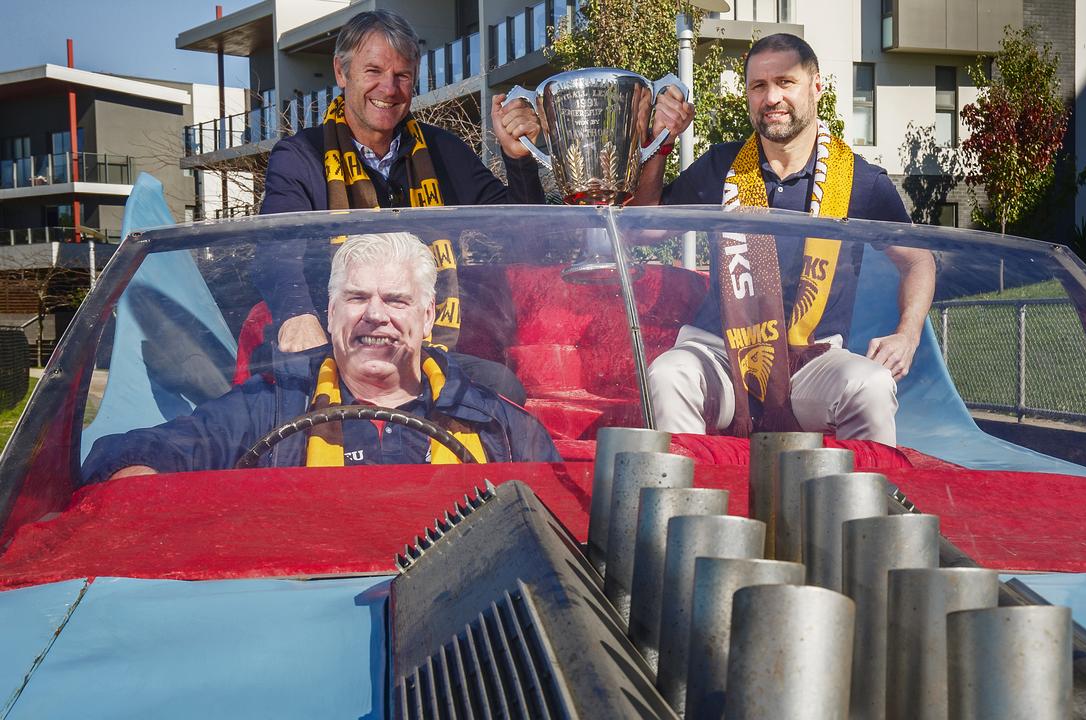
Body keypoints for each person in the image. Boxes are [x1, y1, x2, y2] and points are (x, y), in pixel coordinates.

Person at [634, 34, 936, 446]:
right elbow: (644, 228)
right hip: (723, 353)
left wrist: (908, 334)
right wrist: (660, 142)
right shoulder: (721, 167)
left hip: (810, 359)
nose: (771, 97)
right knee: (670, 374)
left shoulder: (862, 183)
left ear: (816, 87)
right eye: (759, 86)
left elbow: (918, 261)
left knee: (871, 385)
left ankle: (861, 508)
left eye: (785, 82)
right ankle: (686, 505)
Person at [82, 232, 561, 484]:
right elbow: (137, 453)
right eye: (356, 299)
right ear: (330, 314)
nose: (375, 315)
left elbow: (560, 517)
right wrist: (138, 478)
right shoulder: (269, 405)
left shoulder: (497, 421)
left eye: (396, 300)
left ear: (428, 315)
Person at [255, 10, 543, 403]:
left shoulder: (443, 151)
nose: (388, 88)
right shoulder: (300, 155)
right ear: (342, 73)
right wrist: (296, 314)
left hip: (423, 352)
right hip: (331, 352)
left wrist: (519, 158)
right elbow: (275, 246)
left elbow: (525, 237)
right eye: (373, 71)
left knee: (503, 390)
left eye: (402, 75)